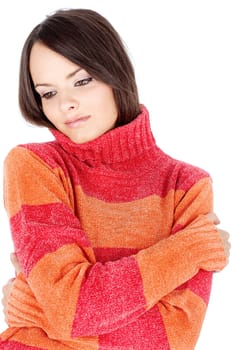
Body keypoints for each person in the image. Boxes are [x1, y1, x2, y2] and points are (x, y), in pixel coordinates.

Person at [0, 8, 230, 350]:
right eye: (48, 93)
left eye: (82, 81)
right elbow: (70, 309)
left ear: (114, 73)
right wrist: (187, 249)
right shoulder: (35, 165)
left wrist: (35, 309)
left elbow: (173, 339)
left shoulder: (187, 186)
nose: (67, 104)